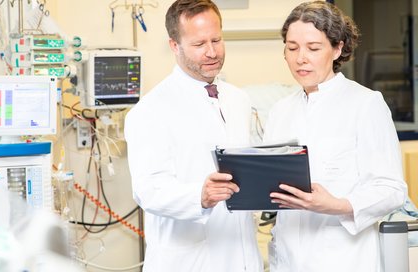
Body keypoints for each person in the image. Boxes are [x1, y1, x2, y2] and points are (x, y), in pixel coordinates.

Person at [263, 1, 408, 271]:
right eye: (292, 48)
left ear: (338, 48)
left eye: (313, 48)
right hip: (287, 258)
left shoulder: (365, 104)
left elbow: (392, 189)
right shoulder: (279, 111)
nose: (300, 58)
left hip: (343, 258)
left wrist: (336, 205)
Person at [124, 0, 263, 271]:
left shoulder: (239, 99)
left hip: (241, 253)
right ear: (174, 46)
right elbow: (147, 190)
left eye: (217, 40)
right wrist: (200, 195)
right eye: (199, 44)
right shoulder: (150, 110)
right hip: (188, 260)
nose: (212, 52)